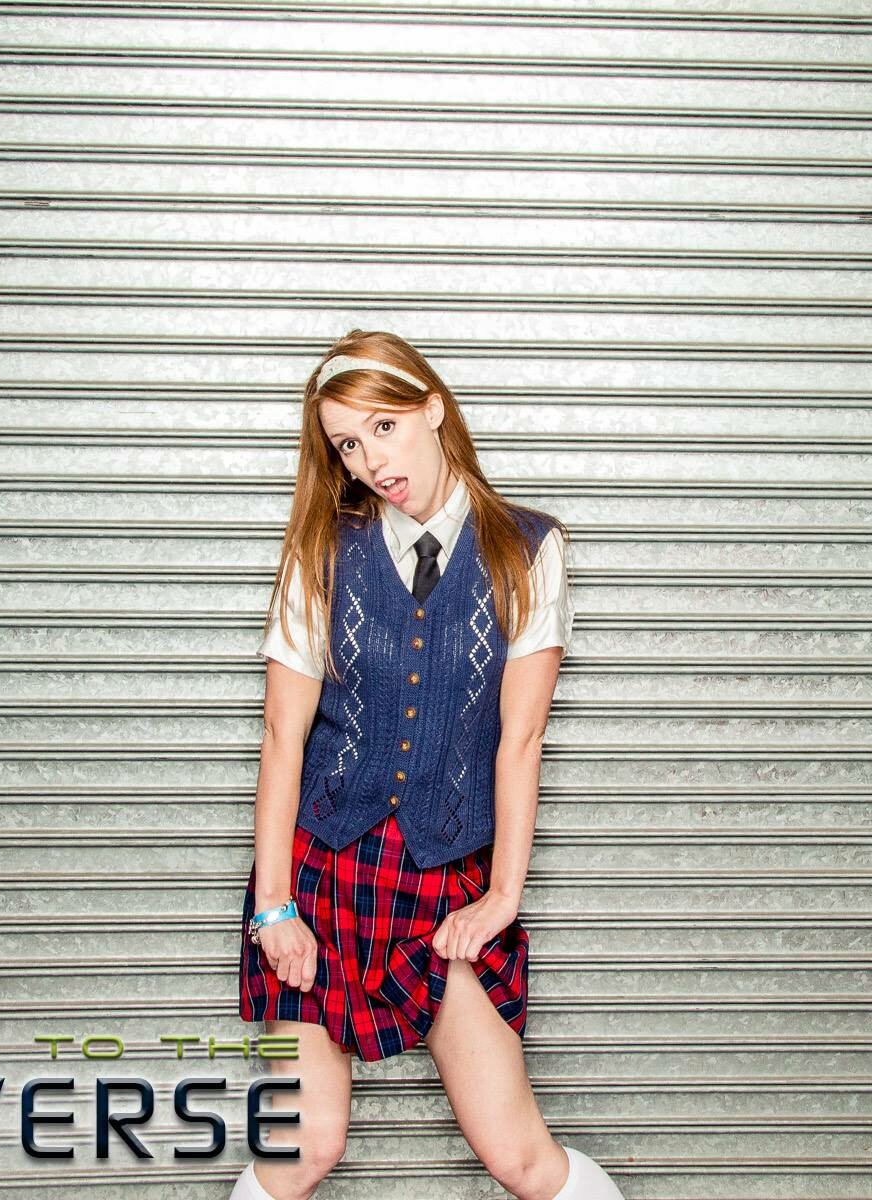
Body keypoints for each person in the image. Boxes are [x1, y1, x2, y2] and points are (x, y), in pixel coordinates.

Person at [232, 331, 626, 1199]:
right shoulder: (320, 549)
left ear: (433, 408)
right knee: (305, 1148)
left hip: (443, 877)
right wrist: (273, 909)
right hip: (320, 877)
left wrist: (502, 896)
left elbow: (521, 740)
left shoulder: (528, 549)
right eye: (347, 444)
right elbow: (282, 738)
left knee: (520, 1157)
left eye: (384, 427)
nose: (372, 460)